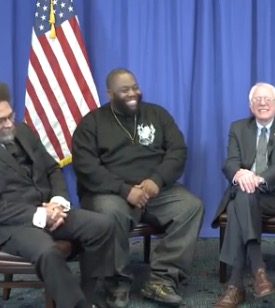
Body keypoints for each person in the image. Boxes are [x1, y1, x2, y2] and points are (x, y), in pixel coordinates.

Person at [0, 80, 116, 308]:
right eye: (0, 120)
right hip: (8, 226)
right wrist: (38, 214)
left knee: (102, 226)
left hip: (48, 211)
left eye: (10, 115)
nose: (9, 124)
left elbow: (52, 168)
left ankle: (90, 296)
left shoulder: (23, 131)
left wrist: (57, 202)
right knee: (47, 251)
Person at [71, 68, 204, 308]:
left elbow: (177, 150)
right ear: (110, 93)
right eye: (125, 90)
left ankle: (162, 280)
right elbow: (86, 166)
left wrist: (157, 179)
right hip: (110, 192)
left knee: (191, 207)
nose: (133, 93)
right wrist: (124, 190)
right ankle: (116, 284)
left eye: (135, 87)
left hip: (155, 191)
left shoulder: (157, 114)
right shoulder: (92, 123)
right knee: (111, 214)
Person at [211, 82, 275, 308]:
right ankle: (258, 272)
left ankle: (235, 286)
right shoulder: (238, 127)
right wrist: (239, 175)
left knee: (238, 204)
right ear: (250, 105)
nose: (262, 103)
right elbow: (230, 162)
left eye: (267, 99)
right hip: (246, 193)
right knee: (243, 197)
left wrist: (259, 179)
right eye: (257, 100)